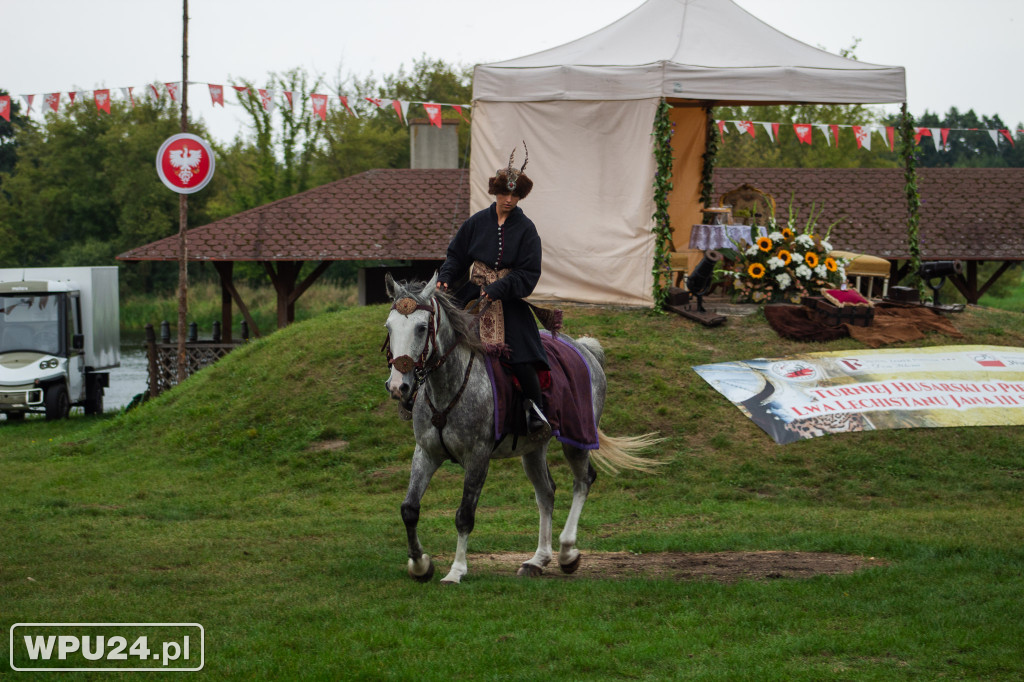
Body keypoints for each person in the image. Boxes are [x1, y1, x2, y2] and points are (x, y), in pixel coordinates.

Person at [436, 145, 550, 440]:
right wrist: (446, 278)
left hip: (508, 301)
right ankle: (418, 396)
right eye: (504, 194)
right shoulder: (475, 223)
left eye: (515, 196)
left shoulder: (527, 230)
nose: (508, 200)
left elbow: (528, 273)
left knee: (523, 353)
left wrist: (500, 287)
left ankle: (536, 410)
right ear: (495, 192)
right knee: (439, 340)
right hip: (470, 295)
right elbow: (456, 255)